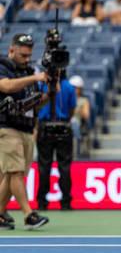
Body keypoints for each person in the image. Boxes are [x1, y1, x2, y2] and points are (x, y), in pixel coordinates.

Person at [0, 34, 49, 230]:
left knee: (12, 176)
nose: (27, 59)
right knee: (16, 172)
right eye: (23, 55)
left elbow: (36, 103)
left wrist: (51, 91)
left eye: (29, 55)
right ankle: (29, 215)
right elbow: (6, 86)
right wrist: (35, 77)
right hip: (6, 126)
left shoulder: (28, 70)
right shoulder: (3, 66)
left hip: (26, 127)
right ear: (12, 50)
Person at [36, 70, 77, 211]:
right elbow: (72, 109)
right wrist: (65, 119)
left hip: (45, 127)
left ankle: (42, 202)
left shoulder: (43, 85)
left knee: (44, 166)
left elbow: (37, 104)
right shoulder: (69, 87)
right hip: (63, 127)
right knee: (64, 166)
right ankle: (65, 202)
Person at [69, 75, 91, 156]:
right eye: (72, 87)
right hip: (66, 122)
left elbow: (86, 115)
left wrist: (77, 109)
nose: (74, 90)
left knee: (74, 124)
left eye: (76, 88)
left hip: (78, 124)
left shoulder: (84, 100)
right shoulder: (66, 99)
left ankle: (75, 154)